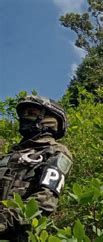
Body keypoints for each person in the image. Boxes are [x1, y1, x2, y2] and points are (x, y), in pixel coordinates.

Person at [0, 96, 73, 241]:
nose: (24, 118)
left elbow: (44, 201)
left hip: (17, 234)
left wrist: (3, 222)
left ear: (49, 120)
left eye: (31, 113)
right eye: (23, 114)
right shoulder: (8, 156)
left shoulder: (56, 152)